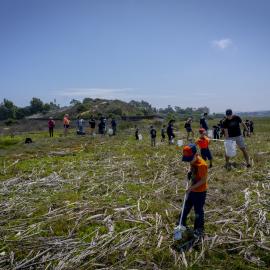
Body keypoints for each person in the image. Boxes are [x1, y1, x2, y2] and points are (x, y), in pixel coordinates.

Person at [177, 143, 208, 238]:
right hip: (193, 190)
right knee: (186, 206)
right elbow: (191, 166)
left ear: (195, 154)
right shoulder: (192, 160)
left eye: (190, 159)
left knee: (198, 211)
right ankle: (181, 223)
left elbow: (203, 180)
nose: (189, 161)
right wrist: (190, 172)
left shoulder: (202, 165)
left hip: (200, 192)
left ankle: (199, 229)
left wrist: (191, 188)